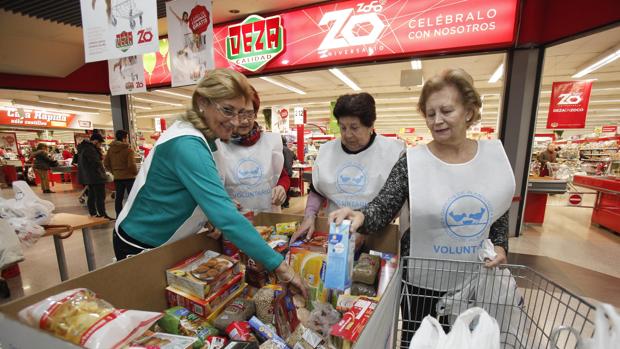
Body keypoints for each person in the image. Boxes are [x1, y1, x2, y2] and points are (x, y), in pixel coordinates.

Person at [330, 68, 516, 342]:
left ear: (468, 111)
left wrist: (500, 244)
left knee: (467, 340)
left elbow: (497, 206)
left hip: (475, 274)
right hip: (422, 278)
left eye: (446, 111)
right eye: (431, 114)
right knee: (419, 338)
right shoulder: (412, 161)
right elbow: (385, 205)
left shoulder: (491, 158)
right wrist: (360, 215)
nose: (437, 121)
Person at [113, 68, 306, 296]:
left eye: (241, 112)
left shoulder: (207, 137)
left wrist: (207, 214)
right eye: (227, 110)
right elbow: (225, 216)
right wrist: (280, 266)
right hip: (144, 243)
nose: (235, 122)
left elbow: (194, 193)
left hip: (171, 239)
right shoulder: (187, 144)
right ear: (202, 102)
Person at [290, 92, 405, 242]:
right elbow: (318, 189)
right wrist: (309, 216)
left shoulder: (392, 152)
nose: (348, 135)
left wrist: (364, 230)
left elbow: (395, 201)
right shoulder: (327, 151)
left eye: (354, 127)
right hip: (335, 233)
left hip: (378, 234)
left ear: (370, 125)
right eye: (343, 128)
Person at [213, 87, 289, 213]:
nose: (245, 120)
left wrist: (282, 187)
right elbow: (211, 187)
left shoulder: (270, 143)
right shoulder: (217, 146)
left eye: (249, 114)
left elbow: (282, 175)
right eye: (240, 114)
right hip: (235, 219)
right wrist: (222, 201)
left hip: (269, 215)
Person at [77, 133, 112, 219]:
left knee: (92, 195)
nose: (100, 145)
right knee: (100, 196)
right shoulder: (90, 149)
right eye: (100, 143)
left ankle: (93, 213)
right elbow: (96, 163)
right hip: (95, 176)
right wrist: (102, 172)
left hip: (89, 177)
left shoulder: (84, 148)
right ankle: (102, 215)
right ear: (96, 141)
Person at [104, 130, 138, 217]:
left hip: (117, 177)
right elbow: (131, 165)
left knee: (118, 198)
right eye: (127, 137)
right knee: (132, 197)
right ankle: (132, 215)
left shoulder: (110, 150)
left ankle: (118, 215)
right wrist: (135, 173)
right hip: (129, 177)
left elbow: (106, 163)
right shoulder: (128, 150)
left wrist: (114, 171)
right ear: (124, 138)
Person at [281, 136, 296, 208]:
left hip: (283, 171)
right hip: (289, 171)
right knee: (287, 187)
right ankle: (286, 203)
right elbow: (295, 158)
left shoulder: (280, 150)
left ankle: (282, 203)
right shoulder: (290, 150)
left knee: (281, 187)